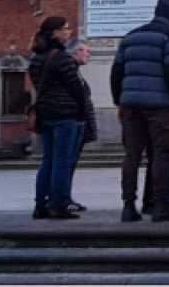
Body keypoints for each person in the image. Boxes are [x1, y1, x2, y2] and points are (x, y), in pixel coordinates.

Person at [109, 0, 169, 222]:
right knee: (162, 154)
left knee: (132, 155)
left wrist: (119, 102)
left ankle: (129, 205)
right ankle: (161, 205)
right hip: (160, 106)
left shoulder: (130, 38)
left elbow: (116, 73)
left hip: (131, 106)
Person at [28, 15, 89, 220]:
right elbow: (76, 87)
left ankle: (40, 203)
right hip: (65, 113)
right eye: (65, 28)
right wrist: (82, 110)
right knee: (62, 160)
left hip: (45, 112)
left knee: (48, 159)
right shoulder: (61, 57)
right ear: (54, 32)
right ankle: (59, 202)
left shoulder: (36, 58)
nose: (68, 31)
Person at [62, 39, 97, 214]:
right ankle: (62, 198)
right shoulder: (70, 71)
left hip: (79, 121)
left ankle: (65, 197)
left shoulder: (76, 72)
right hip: (74, 121)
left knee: (70, 162)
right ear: (75, 52)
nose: (88, 55)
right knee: (66, 162)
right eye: (85, 51)